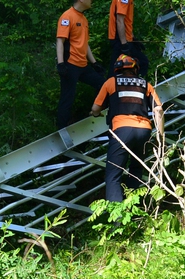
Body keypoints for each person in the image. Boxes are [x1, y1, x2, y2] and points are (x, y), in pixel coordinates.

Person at [90, 54, 163, 202]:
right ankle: (133, 209)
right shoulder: (145, 84)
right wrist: (160, 137)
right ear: (135, 68)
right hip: (144, 131)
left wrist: (95, 113)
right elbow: (159, 110)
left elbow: (96, 108)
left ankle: (118, 220)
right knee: (136, 170)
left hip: (122, 130)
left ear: (117, 68)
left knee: (113, 175)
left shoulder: (111, 82)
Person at [56, 0, 106, 129]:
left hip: (83, 65)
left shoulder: (83, 19)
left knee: (102, 84)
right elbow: (60, 41)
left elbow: (85, 43)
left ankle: (95, 112)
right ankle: (62, 130)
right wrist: (61, 63)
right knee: (67, 98)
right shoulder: (67, 16)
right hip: (70, 65)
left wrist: (94, 63)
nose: (92, 1)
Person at [107, 0, 149, 78]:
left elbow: (126, 22)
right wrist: (124, 44)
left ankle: (124, 86)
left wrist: (134, 39)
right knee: (142, 63)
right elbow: (120, 20)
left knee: (118, 69)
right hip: (120, 39)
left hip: (125, 39)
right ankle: (110, 89)